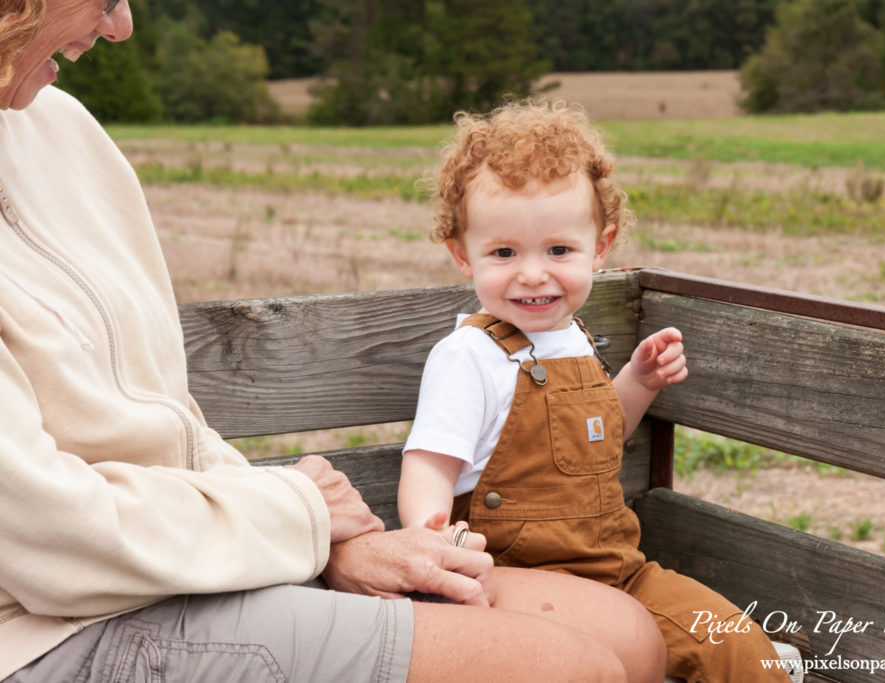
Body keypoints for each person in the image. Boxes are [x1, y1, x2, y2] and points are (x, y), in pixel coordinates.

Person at [0, 2, 669, 682]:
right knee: (564, 668)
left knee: (629, 636)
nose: (123, 25)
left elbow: (170, 424)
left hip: (185, 558)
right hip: (40, 626)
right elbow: (48, 535)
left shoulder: (64, 131)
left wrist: (328, 544)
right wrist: (301, 517)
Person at [397, 99, 790, 681]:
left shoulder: (575, 339)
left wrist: (637, 381)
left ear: (600, 248)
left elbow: (598, 439)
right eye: (504, 253)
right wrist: (436, 543)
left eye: (559, 250)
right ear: (463, 255)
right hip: (515, 582)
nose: (533, 273)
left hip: (618, 572)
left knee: (740, 651)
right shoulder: (469, 356)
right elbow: (430, 465)